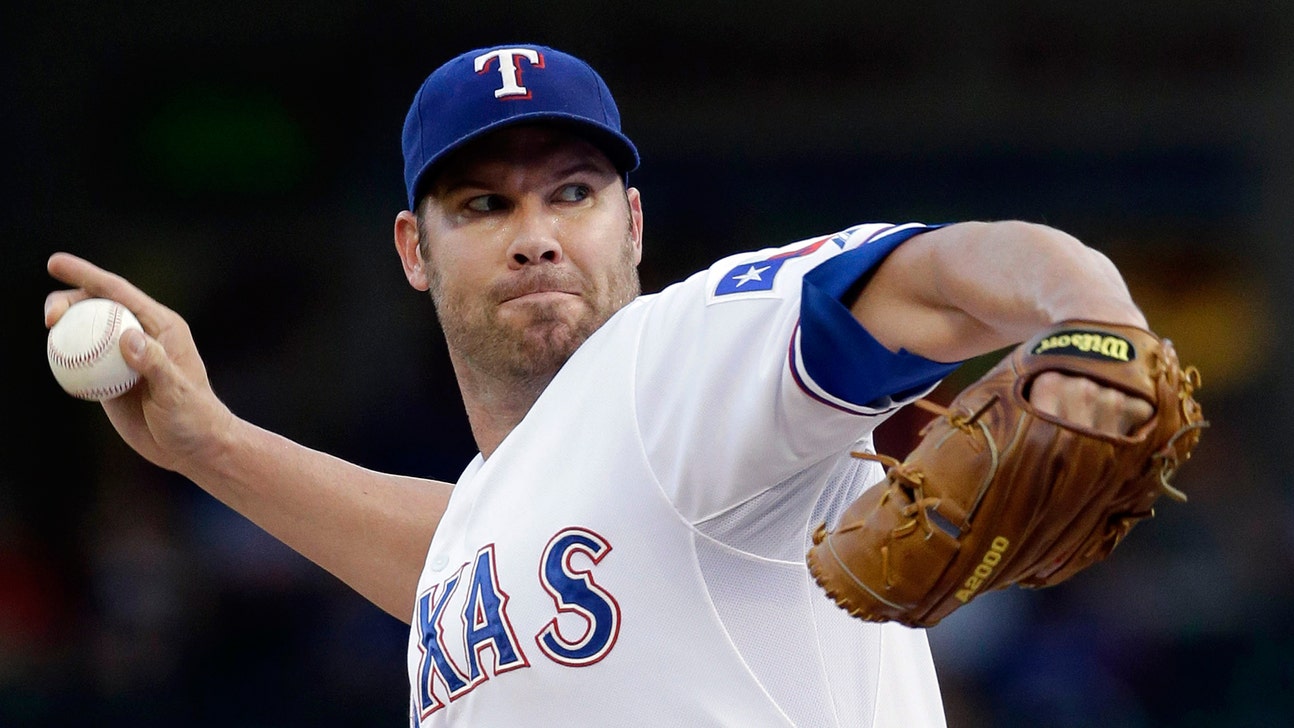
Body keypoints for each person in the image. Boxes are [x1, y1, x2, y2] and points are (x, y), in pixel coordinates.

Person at [46, 43, 1156, 727]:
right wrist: (209, 443)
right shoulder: (509, 502)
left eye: (570, 193)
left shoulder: (680, 359)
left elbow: (952, 268)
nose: (535, 235)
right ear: (414, 250)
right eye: (485, 205)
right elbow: (464, 557)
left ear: (631, 223)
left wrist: (1097, 322)